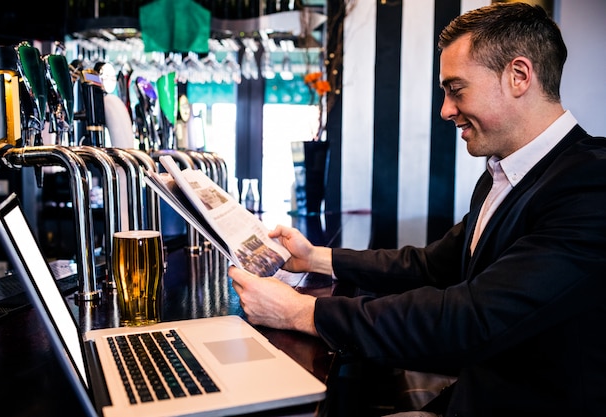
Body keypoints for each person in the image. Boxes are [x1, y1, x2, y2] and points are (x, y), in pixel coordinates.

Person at [228, 3, 606, 417]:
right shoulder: (502, 175)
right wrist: (316, 257)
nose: (445, 109)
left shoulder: (591, 185)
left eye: (456, 89)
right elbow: (430, 266)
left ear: (518, 76)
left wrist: (301, 311)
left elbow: (471, 318)